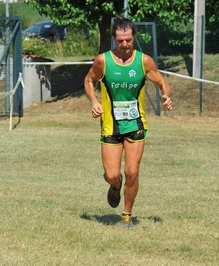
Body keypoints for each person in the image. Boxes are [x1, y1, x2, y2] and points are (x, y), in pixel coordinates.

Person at [84, 16, 173, 228]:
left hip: (135, 124)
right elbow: (89, 80)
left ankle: (127, 215)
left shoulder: (144, 61)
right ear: (114, 39)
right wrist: (94, 101)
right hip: (110, 125)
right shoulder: (103, 61)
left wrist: (166, 95)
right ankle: (115, 187)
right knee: (112, 175)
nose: (125, 44)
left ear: (134, 37)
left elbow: (161, 82)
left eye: (129, 40)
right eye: (120, 40)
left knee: (132, 171)